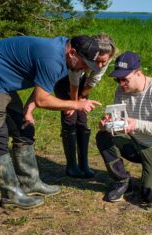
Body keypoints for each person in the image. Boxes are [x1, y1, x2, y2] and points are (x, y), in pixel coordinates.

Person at [0, 35, 101, 209]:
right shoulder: (52, 58)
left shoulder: (64, 55)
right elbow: (43, 100)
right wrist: (77, 104)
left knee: (24, 128)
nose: (86, 69)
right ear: (72, 52)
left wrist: (29, 108)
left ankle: (30, 182)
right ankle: (11, 194)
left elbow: (40, 87)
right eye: (85, 63)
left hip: (2, 82)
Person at [96, 51, 152, 203]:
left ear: (138, 73)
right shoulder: (121, 91)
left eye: (125, 79)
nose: (121, 84)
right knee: (103, 136)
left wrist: (135, 124)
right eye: (117, 80)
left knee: (151, 196)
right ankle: (122, 181)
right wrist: (107, 125)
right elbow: (120, 122)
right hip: (134, 142)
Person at [54, 33, 116, 178]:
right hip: (66, 80)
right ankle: (71, 166)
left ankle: (84, 164)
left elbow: (94, 79)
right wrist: (73, 104)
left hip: (82, 83)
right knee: (70, 118)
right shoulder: (84, 55)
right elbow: (73, 79)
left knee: (82, 119)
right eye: (98, 61)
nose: (100, 65)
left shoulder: (105, 58)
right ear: (92, 56)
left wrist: (82, 98)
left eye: (104, 62)